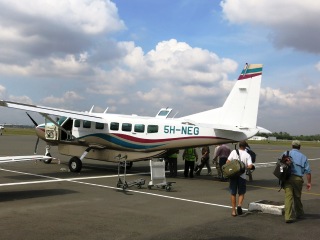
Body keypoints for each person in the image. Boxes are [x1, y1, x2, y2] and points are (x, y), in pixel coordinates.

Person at [283, 140, 312, 223]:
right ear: (299, 147)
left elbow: (279, 165)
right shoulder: (303, 157)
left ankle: (287, 216)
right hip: (297, 179)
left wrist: (282, 177)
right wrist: (309, 182)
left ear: (292, 146)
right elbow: (308, 171)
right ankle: (299, 213)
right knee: (297, 196)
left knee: (288, 197)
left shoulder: (286, 153)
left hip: (287, 178)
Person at [226, 141, 253, 216]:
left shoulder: (234, 152)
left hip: (233, 175)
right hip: (242, 176)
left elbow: (227, 161)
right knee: (241, 193)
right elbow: (250, 166)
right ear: (245, 146)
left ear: (239, 145)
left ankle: (233, 211)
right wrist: (244, 167)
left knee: (233, 193)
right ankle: (239, 205)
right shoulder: (247, 155)